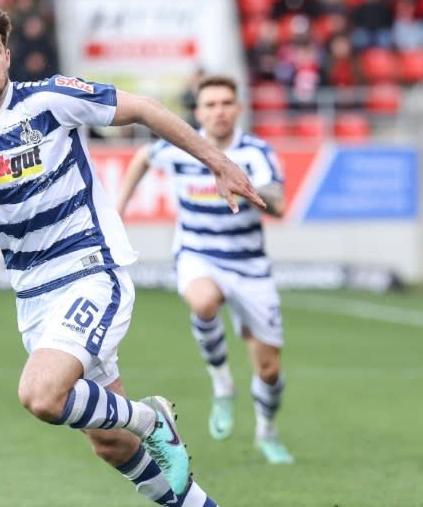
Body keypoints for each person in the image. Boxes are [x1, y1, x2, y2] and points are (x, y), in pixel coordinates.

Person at [0, 2, 265, 507]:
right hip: (33, 296)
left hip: (90, 269)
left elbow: (145, 110)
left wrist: (216, 160)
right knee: (110, 442)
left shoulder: (50, 98)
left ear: (8, 55)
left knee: (41, 395)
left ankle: (153, 417)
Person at [117, 75, 294, 465]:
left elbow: (279, 204)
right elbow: (144, 157)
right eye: (210, 104)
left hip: (249, 266)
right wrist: (119, 209)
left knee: (268, 369)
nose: (219, 111)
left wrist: (241, 183)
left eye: (226, 103)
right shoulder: (183, 146)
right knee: (202, 301)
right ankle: (222, 383)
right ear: (198, 111)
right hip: (198, 254)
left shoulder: (255, 152)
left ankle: (267, 431)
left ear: (238, 108)